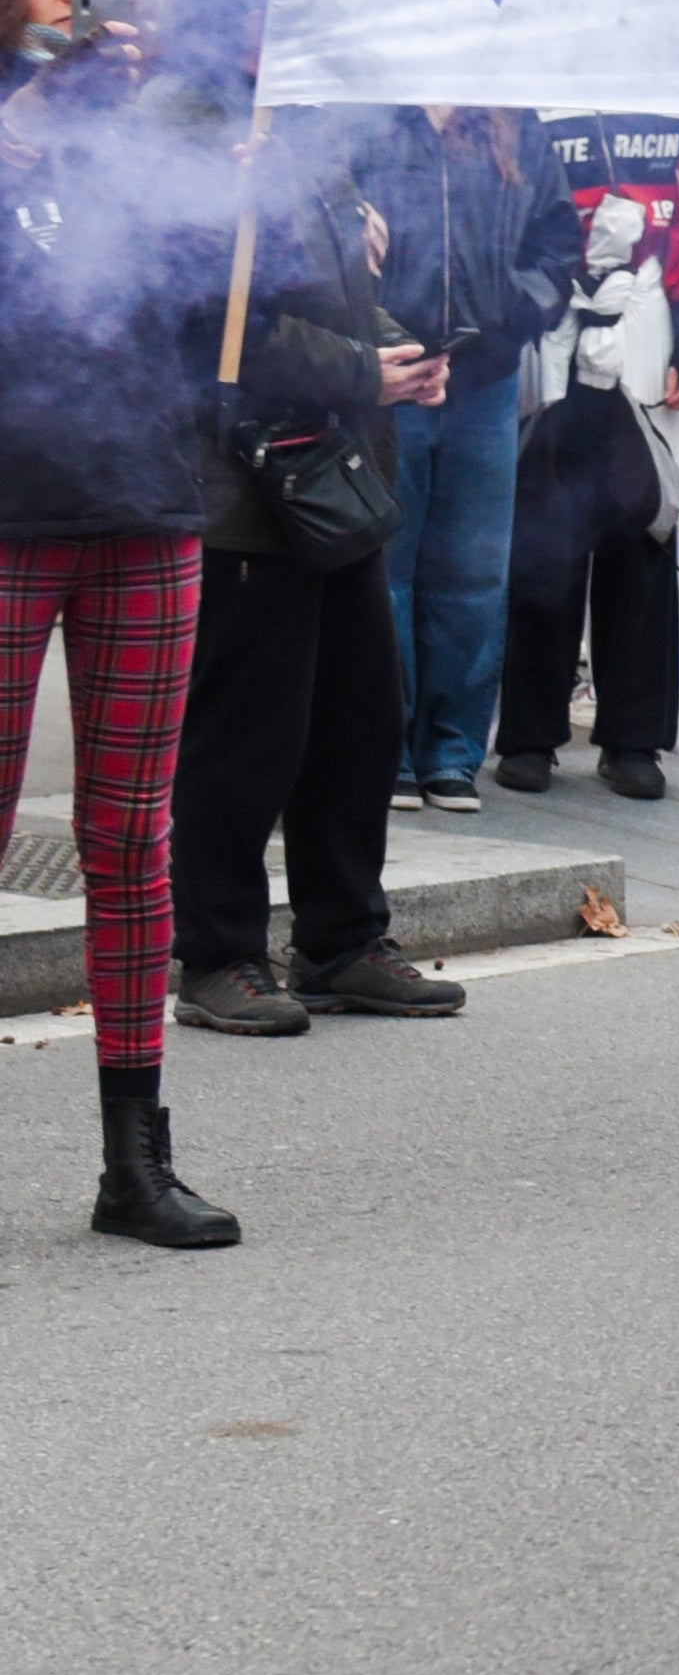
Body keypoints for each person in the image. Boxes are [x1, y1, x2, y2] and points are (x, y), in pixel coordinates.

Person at [0, 0, 242, 1238]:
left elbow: (216, 305)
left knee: (132, 839)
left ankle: (134, 1164)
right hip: (9, 516)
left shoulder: (141, 136)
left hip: (145, 509)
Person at [174, 105, 470, 1036]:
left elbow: (343, 296)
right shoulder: (188, 119)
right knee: (245, 734)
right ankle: (217, 952)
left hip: (335, 475)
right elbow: (220, 326)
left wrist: (397, 353)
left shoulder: (301, 121)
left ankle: (342, 941)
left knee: (357, 721)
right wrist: (357, 367)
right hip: (243, 486)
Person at [334, 107, 554, 814]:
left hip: (485, 377)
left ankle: (452, 752)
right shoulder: (371, 117)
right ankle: (385, 746)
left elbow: (556, 244)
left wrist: (510, 315)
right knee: (386, 566)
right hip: (391, 373)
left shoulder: (515, 121)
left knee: (474, 572)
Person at [498, 117, 679, 804]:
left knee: (645, 528)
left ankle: (633, 738)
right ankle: (529, 733)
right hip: (555, 323)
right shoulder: (532, 107)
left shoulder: (673, 111)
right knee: (542, 534)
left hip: (646, 327)